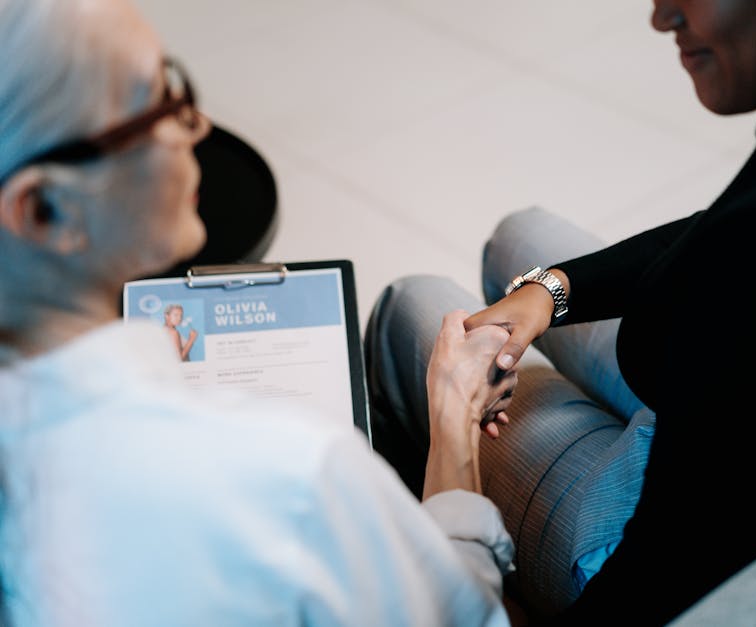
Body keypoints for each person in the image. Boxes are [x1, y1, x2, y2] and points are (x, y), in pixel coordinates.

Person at [365, 0, 756, 624]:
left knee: (409, 307)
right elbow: (732, 226)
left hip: (705, 543)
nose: (660, 17)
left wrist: (454, 423)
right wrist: (551, 289)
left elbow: (650, 593)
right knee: (520, 237)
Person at [0, 0, 519, 625]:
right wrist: (454, 416)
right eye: (159, 102)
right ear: (41, 210)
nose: (197, 124)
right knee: (416, 301)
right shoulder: (293, 476)